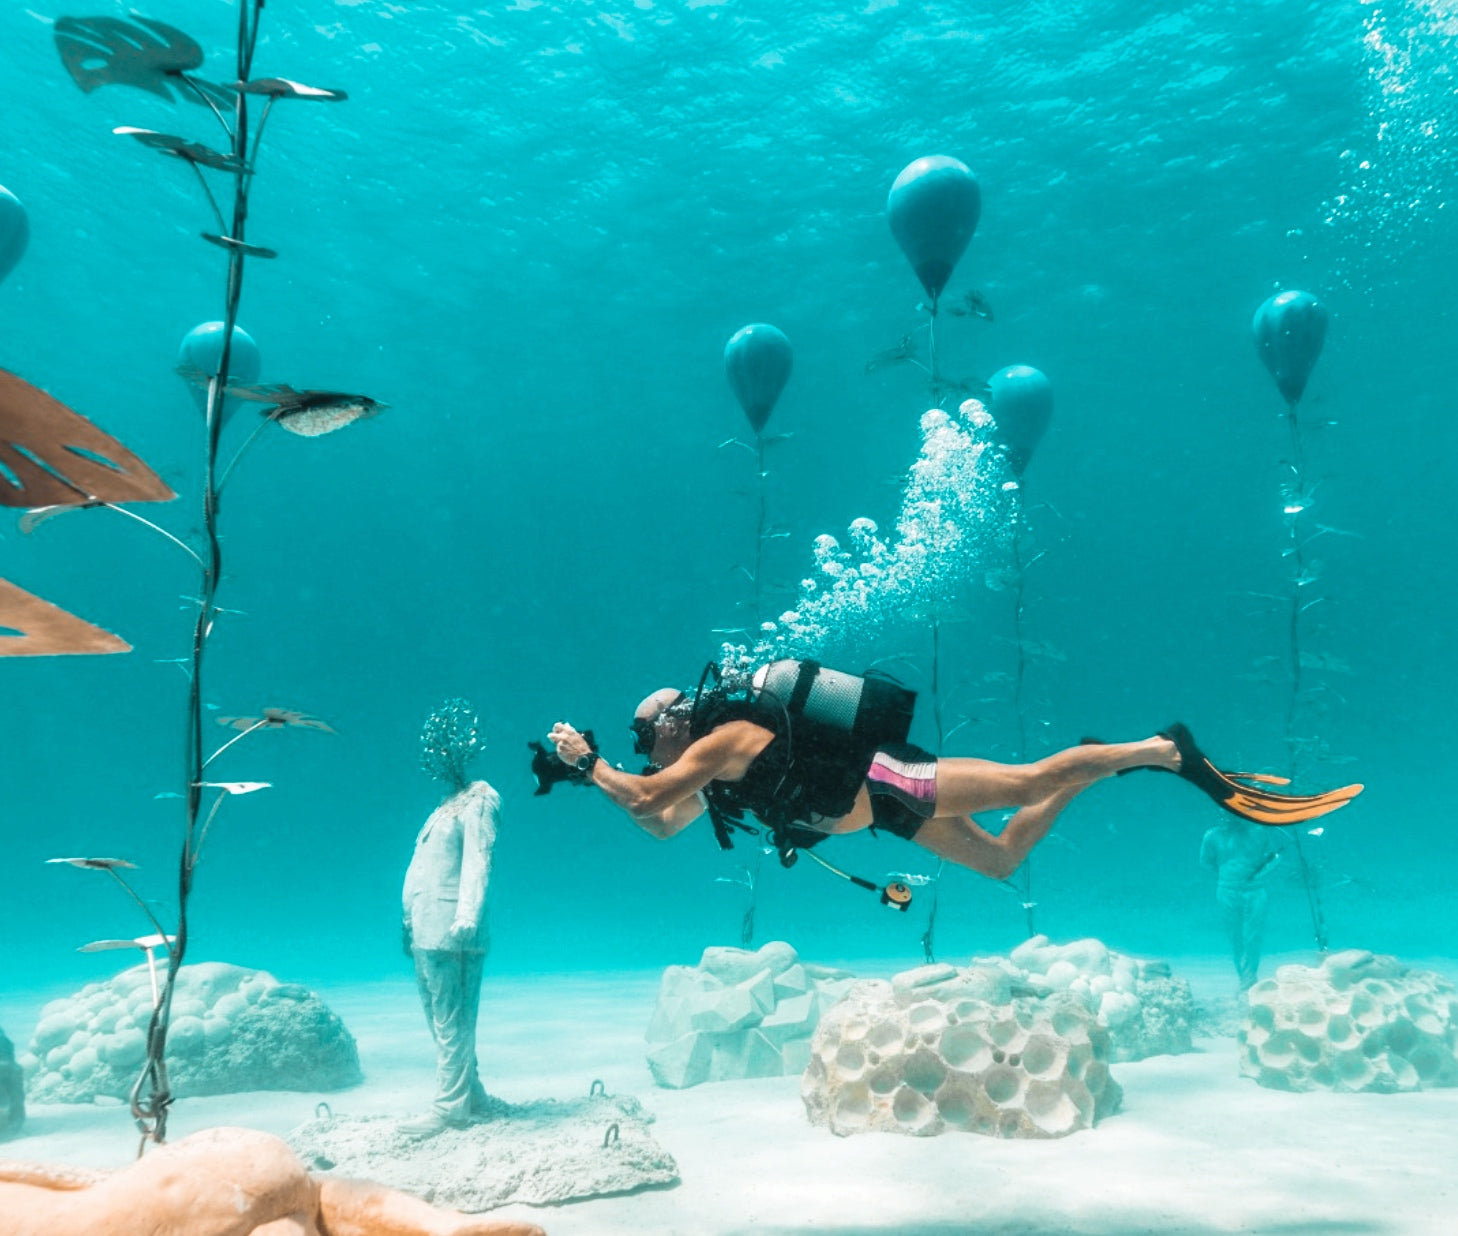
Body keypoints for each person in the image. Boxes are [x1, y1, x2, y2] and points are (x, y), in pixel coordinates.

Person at [545, 658, 1362, 883]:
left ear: (678, 721)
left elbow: (646, 791)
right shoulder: (706, 778)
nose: (640, 738)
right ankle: (1088, 765)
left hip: (884, 781)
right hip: (877, 813)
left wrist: (592, 765)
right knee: (1006, 859)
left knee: (1023, 782)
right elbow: (656, 821)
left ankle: (1163, 750)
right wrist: (598, 777)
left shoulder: (726, 742)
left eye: (642, 728)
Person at [0, 1125, 546, 1236]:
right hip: (243, 1161)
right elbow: (64, 1177)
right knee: (322, 1199)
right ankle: (443, 1225)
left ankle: (444, 1226)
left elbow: (58, 1180)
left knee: (313, 1205)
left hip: (209, 1187)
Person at [402, 699, 498, 1137]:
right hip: (425, 927)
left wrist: (468, 917)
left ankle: (449, 1107)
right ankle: (470, 1093)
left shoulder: (479, 799)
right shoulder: (443, 807)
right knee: (441, 1020)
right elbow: (418, 867)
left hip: (452, 929)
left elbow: (479, 859)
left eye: (447, 750)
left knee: (452, 1020)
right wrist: (407, 921)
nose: (440, 760)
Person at [1201, 817, 1281, 992]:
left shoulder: (1259, 830)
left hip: (1255, 890)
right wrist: (1228, 877)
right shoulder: (1212, 836)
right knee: (1235, 936)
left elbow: (1276, 856)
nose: (1224, 813)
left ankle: (1249, 978)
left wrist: (1259, 874)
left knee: (1253, 936)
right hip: (1227, 890)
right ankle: (1246, 979)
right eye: (1221, 808)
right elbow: (1207, 862)